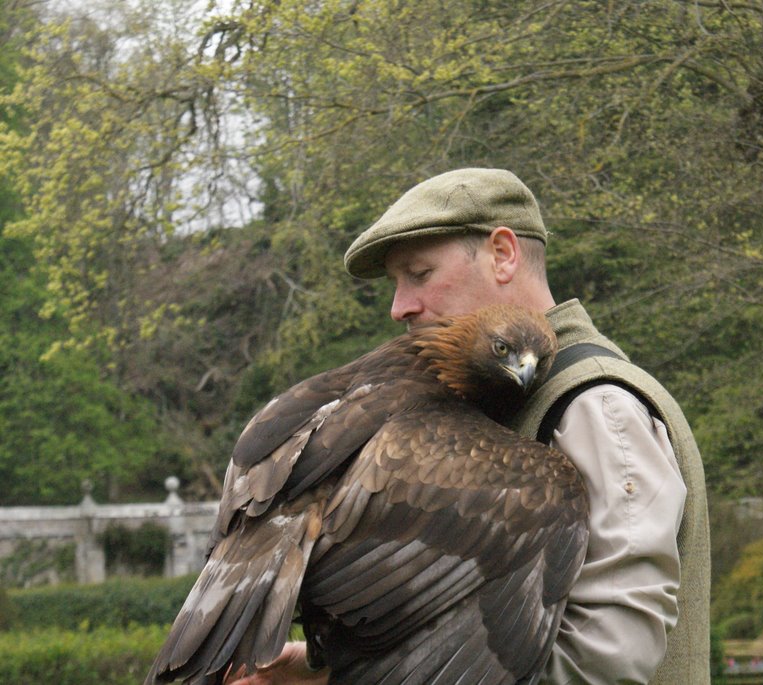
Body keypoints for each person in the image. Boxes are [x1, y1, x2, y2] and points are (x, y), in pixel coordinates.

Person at [227, 168, 710, 685]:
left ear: (503, 255)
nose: (399, 307)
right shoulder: (488, 399)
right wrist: (323, 673)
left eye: (419, 273)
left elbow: (608, 652)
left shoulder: (593, 405)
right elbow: (466, 628)